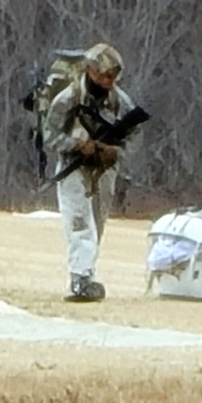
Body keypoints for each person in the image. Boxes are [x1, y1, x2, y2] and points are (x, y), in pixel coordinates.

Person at [43, 43, 137, 302]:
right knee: (79, 222)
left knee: (96, 222)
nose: (109, 82)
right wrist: (77, 145)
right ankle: (80, 279)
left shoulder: (121, 102)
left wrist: (115, 151)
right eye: (106, 76)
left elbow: (134, 135)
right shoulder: (67, 99)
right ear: (92, 72)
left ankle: (86, 273)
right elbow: (49, 137)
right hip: (73, 167)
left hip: (104, 170)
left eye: (113, 78)